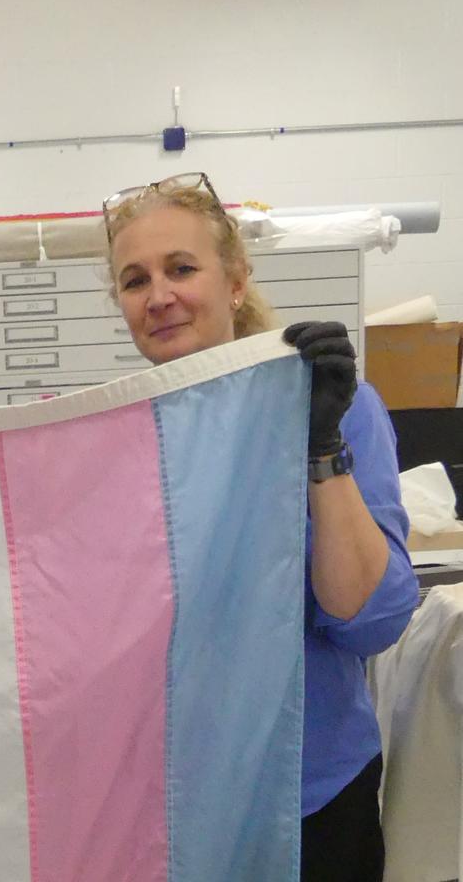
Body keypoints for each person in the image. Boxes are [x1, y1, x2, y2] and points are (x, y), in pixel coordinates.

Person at [103, 172, 419, 882]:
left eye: (182, 268)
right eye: (134, 280)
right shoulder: (119, 438)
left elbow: (371, 623)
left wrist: (320, 451)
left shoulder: (335, 409)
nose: (160, 297)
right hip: (167, 807)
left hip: (309, 796)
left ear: (235, 280)